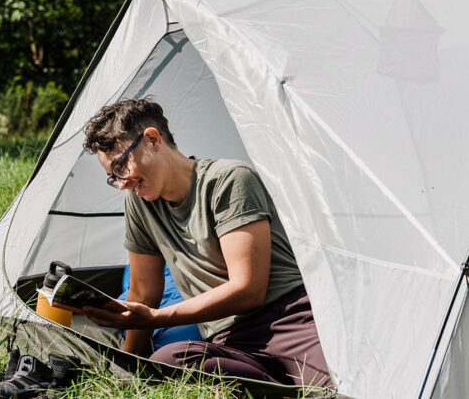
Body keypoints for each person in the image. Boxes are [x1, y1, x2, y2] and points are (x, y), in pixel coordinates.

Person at [80, 98, 332, 388]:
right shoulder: (139, 204)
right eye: (113, 177)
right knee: (168, 360)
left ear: (152, 140)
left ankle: (282, 385)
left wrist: (157, 318)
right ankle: (277, 387)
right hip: (228, 341)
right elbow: (143, 293)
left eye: (121, 166)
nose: (122, 182)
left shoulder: (229, 180)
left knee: (343, 387)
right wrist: (125, 374)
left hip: (286, 321)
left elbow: (248, 290)